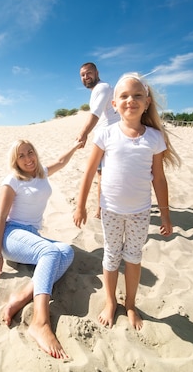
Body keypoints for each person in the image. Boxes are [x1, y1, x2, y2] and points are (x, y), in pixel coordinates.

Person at [73, 72, 181, 330]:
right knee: (111, 257)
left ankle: (130, 304)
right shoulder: (106, 134)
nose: (130, 100)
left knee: (133, 258)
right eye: (123, 96)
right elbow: (89, 173)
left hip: (140, 212)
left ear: (146, 102)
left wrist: (165, 214)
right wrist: (80, 206)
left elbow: (159, 179)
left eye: (137, 96)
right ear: (114, 104)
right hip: (111, 210)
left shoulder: (154, 138)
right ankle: (111, 302)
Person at [0, 138, 82, 359]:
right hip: (12, 236)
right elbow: (0, 217)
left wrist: (77, 145)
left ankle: (21, 297)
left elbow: (61, 161)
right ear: (15, 161)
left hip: (31, 236)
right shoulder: (12, 181)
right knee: (49, 252)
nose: (28, 158)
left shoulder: (41, 174)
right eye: (21, 155)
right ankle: (40, 322)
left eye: (30, 152)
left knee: (66, 251)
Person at [76, 62, 121, 219]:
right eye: (82, 75)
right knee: (108, 173)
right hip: (107, 135)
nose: (86, 77)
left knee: (102, 174)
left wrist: (83, 133)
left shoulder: (102, 87)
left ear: (97, 72)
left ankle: (101, 210)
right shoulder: (98, 90)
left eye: (89, 73)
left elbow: (94, 114)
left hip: (109, 136)